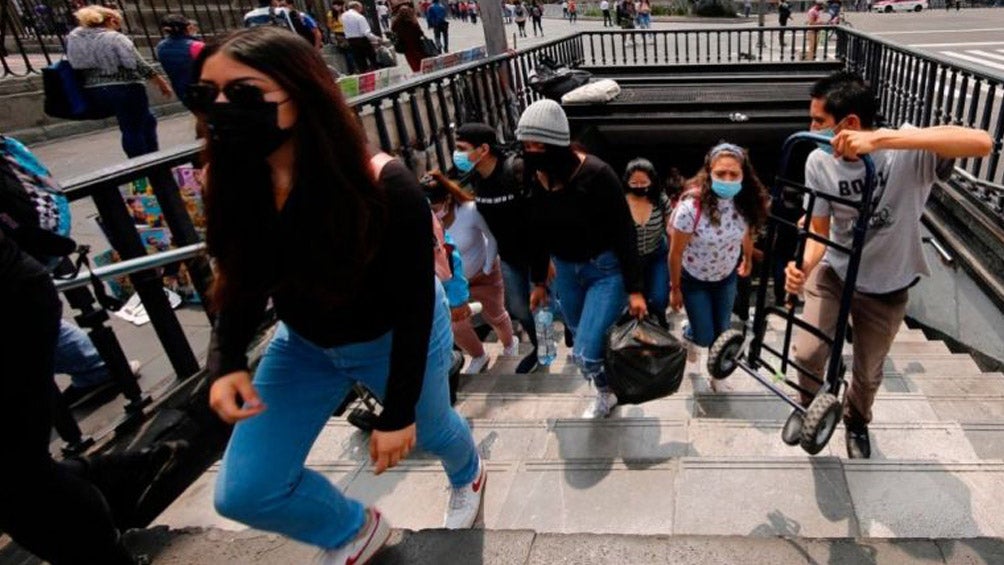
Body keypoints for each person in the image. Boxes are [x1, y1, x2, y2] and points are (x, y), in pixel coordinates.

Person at [195, 27, 484, 563]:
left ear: (300, 93)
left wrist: (397, 413)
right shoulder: (232, 178)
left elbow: (414, 303)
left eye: (241, 94)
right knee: (244, 491)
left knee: (433, 430)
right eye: (205, 94)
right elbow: (241, 273)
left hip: (393, 336)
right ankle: (353, 530)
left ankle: (469, 473)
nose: (219, 109)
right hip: (302, 343)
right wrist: (227, 359)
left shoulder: (382, 184)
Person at [783, 71, 991, 459]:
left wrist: (882, 139)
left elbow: (982, 142)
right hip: (836, 272)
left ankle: (857, 420)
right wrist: (803, 266)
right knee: (808, 353)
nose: (810, 128)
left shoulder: (907, 152)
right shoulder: (818, 161)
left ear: (850, 125)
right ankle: (808, 404)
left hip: (888, 284)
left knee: (868, 371)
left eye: (818, 122)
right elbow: (818, 229)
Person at [518, 100, 646, 419]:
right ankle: (606, 391)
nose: (531, 151)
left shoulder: (596, 174)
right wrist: (537, 281)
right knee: (578, 339)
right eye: (526, 144)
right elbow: (534, 229)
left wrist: (635, 289)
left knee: (585, 355)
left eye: (538, 144)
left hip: (604, 270)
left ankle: (616, 382)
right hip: (564, 270)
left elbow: (624, 231)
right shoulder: (535, 175)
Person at [669, 143, 768, 361]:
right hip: (694, 279)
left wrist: (748, 258)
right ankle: (690, 334)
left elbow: (747, 232)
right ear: (709, 173)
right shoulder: (691, 208)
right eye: (720, 173)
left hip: (725, 278)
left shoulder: (745, 204)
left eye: (734, 174)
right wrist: (675, 289)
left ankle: (717, 374)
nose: (728, 179)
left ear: (744, 175)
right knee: (704, 337)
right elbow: (675, 253)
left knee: (721, 333)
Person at [455, 122, 541, 374]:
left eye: (462, 148)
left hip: (536, 253)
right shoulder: (475, 180)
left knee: (543, 306)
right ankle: (539, 346)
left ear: (483, 149)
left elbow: (539, 214)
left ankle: (548, 348)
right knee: (518, 307)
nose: (458, 154)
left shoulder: (514, 170)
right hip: (509, 256)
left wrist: (548, 259)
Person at [423, 171, 518, 373]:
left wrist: (486, 267)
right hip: (452, 284)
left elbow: (491, 237)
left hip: (483, 275)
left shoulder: (470, 211)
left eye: (434, 208)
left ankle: (510, 344)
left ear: (447, 199)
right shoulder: (427, 224)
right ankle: (478, 355)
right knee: (456, 325)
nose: (432, 214)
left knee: (495, 316)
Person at [65, 6, 172, 158]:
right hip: (126, 88)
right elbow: (138, 64)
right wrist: (162, 83)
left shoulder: (74, 39)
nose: (118, 26)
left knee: (146, 120)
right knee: (133, 128)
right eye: (118, 23)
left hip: (96, 90)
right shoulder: (115, 38)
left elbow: (75, 64)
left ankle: (154, 159)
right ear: (111, 20)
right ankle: (142, 167)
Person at [623, 158, 670, 328]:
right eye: (634, 182)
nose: (639, 186)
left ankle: (660, 318)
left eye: (644, 182)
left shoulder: (660, 199)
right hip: (631, 258)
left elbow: (670, 227)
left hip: (656, 253)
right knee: (635, 300)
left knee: (658, 298)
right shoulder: (621, 202)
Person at [156, 15, 205, 112]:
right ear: (187, 27)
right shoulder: (196, 45)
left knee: (200, 117)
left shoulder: (161, 47)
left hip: (181, 89)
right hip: (201, 88)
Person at [341, 0, 383, 72]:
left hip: (351, 41)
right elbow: (366, 32)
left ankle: (364, 74)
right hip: (362, 40)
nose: (361, 9)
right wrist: (377, 38)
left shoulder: (343, 16)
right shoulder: (359, 17)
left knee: (360, 61)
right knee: (372, 58)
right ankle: (376, 72)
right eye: (361, 8)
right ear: (357, 7)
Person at [391, 3, 427, 72]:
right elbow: (420, 33)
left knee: (413, 63)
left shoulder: (396, 23)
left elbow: (393, 30)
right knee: (421, 61)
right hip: (417, 45)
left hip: (406, 47)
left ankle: (417, 74)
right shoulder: (412, 22)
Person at [327, 0, 357, 73]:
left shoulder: (345, 13)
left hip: (349, 32)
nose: (339, 7)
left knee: (352, 50)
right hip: (339, 34)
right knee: (348, 51)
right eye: (339, 5)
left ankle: (354, 67)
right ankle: (352, 69)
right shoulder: (331, 14)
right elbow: (329, 25)